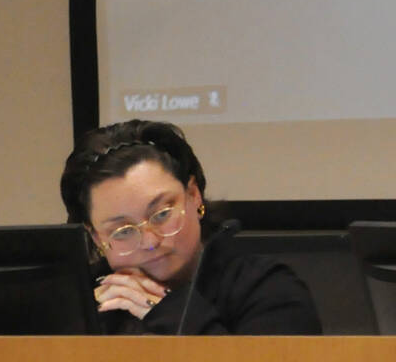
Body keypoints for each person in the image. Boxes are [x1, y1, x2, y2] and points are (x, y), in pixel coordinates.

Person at [59, 119, 322, 335]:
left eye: (161, 214)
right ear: (95, 237)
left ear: (194, 195)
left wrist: (165, 311)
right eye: (124, 231)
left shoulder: (268, 288)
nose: (150, 241)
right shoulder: (82, 305)